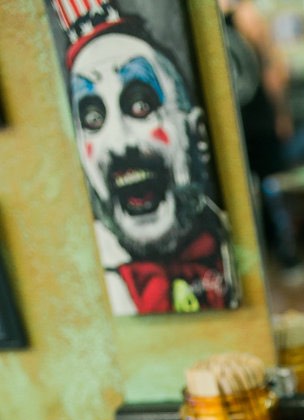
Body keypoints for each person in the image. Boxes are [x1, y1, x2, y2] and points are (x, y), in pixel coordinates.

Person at [50, 0, 239, 315]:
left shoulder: (235, 246)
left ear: (198, 136)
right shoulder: (81, 285)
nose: (118, 143)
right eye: (93, 119)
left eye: (141, 106)